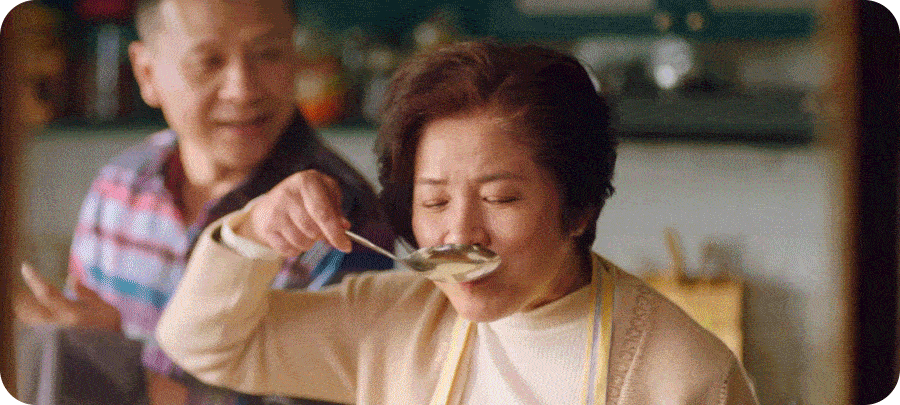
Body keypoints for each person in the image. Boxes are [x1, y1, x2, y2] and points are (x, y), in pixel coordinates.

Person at [155, 40, 760, 404]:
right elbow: (203, 347)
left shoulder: (682, 375)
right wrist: (253, 233)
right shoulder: (392, 323)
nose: (459, 233)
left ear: (578, 207)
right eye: (435, 201)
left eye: (500, 198)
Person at [13, 0, 394, 404]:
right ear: (147, 73)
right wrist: (88, 345)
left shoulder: (339, 219)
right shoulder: (120, 185)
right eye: (208, 62)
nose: (243, 89)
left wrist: (116, 367)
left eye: (268, 54)